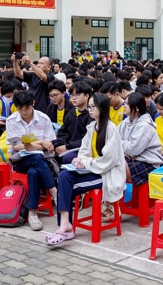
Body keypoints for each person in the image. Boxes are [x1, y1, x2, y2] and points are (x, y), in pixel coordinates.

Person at [46, 92, 126, 247]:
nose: (89, 110)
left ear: (102, 108)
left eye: (92, 107)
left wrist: (86, 162)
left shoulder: (111, 129)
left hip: (106, 174)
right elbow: (84, 150)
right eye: (89, 107)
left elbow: (108, 160)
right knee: (63, 176)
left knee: (67, 186)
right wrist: (80, 159)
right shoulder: (92, 127)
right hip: (93, 170)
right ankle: (65, 223)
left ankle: (65, 227)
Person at [6, 90, 57, 231]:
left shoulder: (43, 119)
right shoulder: (11, 120)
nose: (24, 112)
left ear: (33, 104)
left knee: (34, 172)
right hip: (21, 160)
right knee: (35, 157)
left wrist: (32, 145)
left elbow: (49, 146)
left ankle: (32, 212)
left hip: (42, 158)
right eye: (20, 109)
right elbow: (17, 146)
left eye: (26, 108)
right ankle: (53, 190)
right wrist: (40, 142)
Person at [118, 92, 163, 186]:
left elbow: (133, 149)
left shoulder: (145, 125)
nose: (124, 106)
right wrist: (124, 151)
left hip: (148, 163)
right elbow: (113, 139)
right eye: (125, 103)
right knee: (113, 162)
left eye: (127, 104)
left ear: (137, 108)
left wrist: (121, 146)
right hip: (133, 158)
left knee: (117, 167)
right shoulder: (126, 121)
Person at [53, 80, 93, 164]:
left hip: (80, 149)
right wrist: (61, 144)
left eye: (77, 95)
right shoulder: (71, 113)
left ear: (86, 96)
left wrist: (67, 147)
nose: (74, 98)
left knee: (67, 158)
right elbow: (62, 132)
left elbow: (86, 139)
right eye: (72, 95)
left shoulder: (90, 115)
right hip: (67, 146)